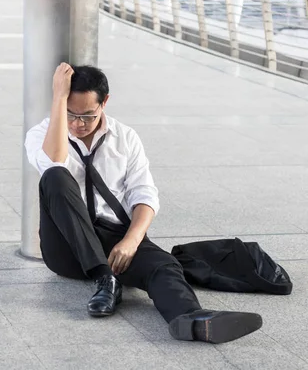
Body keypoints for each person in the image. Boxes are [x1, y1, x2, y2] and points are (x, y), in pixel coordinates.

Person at [24, 63, 263, 343]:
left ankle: (190, 320)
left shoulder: (125, 138)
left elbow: (144, 194)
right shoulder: (41, 135)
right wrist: (58, 99)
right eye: (71, 114)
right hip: (66, 246)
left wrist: (131, 241)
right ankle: (105, 279)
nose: (78, 123)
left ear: (105, 103)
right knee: (55, 175)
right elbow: (53, 160)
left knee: (164, 265)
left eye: (87, 115)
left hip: (115, 239)